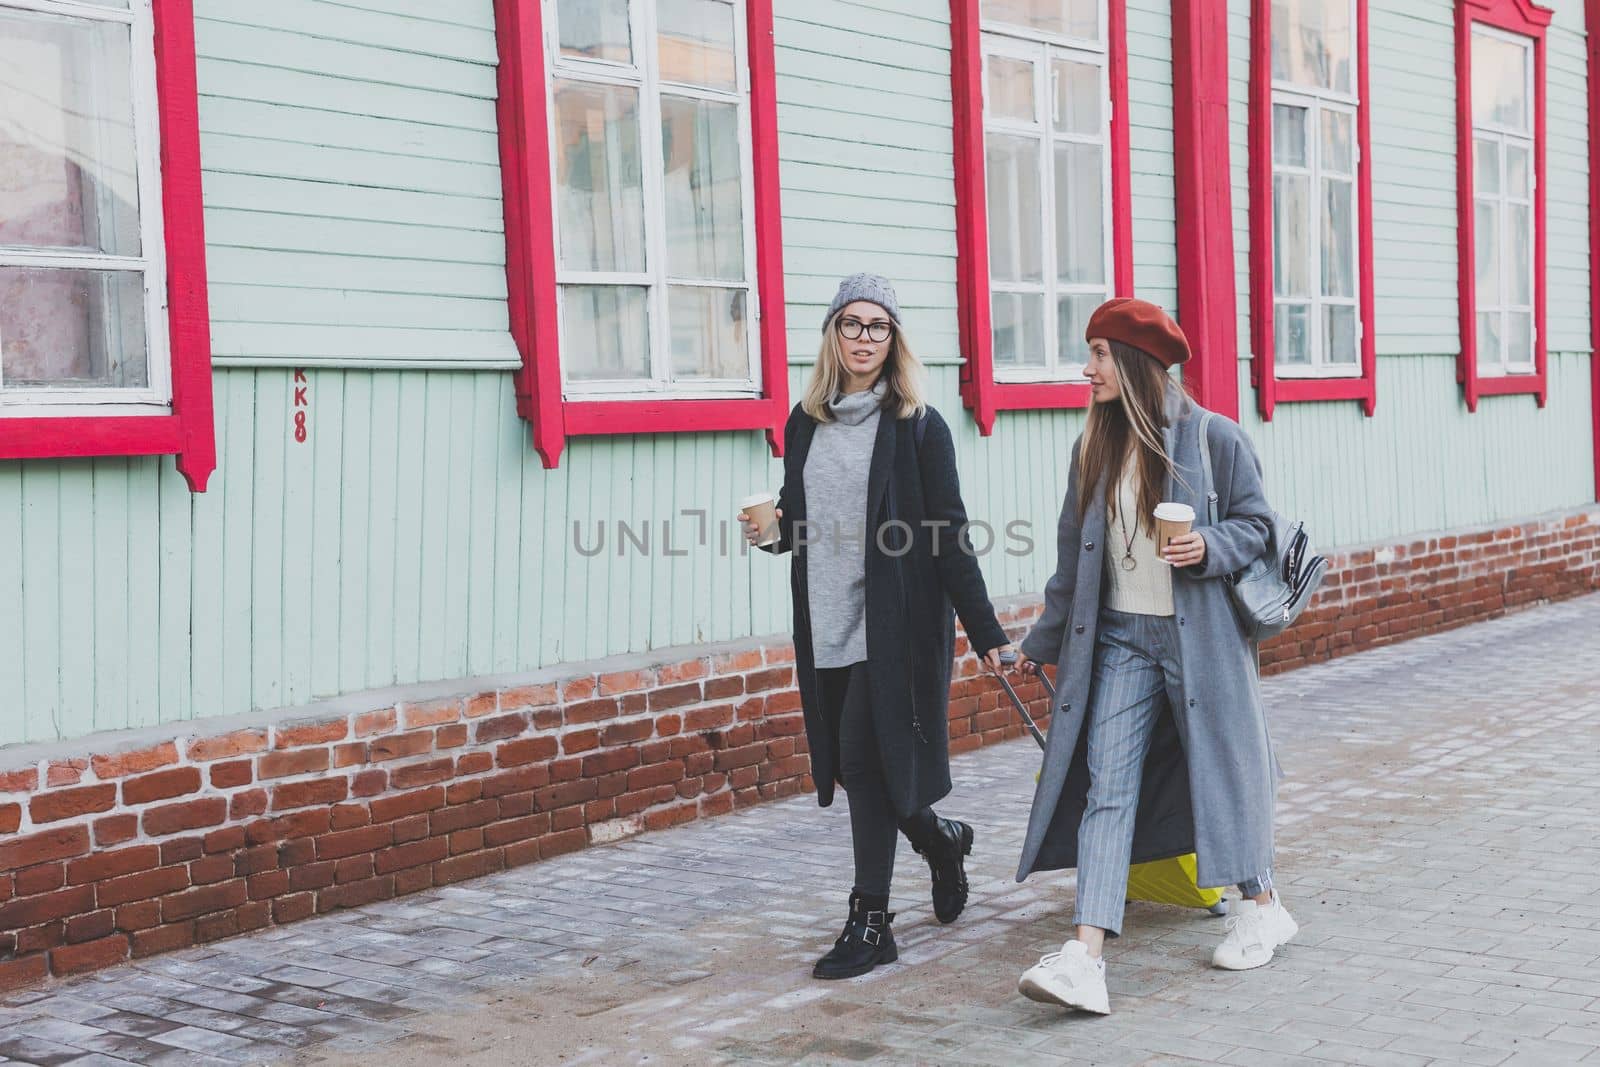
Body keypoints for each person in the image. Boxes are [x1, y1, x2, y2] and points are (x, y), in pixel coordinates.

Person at [1008, 297, 1294, 1015]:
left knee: (1221, 765)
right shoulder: (1094, 449)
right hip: (1120, 639)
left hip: (1197, 635)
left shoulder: (1212, 438)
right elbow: (1075, 562)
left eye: (1100, 354)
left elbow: (1258, 525)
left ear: (1136, 364)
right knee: (1108, 785)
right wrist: (1040, 642)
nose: (1088, 367)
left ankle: (1261, 904)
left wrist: (1207, 547)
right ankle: (1085, 956)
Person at [739, 273, 1015, 980]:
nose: (864, 338)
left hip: (898, 625)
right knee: (868, 767)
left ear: (895, 340)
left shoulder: (917, 426)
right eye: (852, 324)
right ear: (833, 332)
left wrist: (987, 632)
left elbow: (949, 534)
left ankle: (870, 920)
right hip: (829, 617)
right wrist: (770, 532)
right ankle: (941, 838)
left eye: (878, 326)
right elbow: (799, 520)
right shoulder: (806, 422)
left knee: (863, 760)